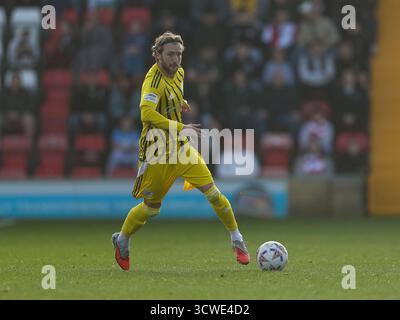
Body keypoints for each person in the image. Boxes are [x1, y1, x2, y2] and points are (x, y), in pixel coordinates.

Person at [112, 32, 250, 271]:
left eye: (179, 54)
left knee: (213, 193)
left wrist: (180, 102)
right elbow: (146, 114)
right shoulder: (152, 81)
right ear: (157, 56)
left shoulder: (180, 73)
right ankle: (122, 239)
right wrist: (180, 126)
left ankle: (237, 239)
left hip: (180, 147)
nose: (176, 60)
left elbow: (171, 96)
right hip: (156, 150)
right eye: (170, 55)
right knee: (151, 209)